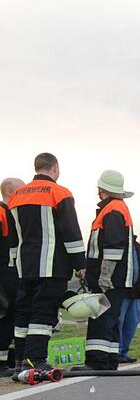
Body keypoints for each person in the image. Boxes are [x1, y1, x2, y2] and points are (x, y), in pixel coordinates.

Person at [8, 154, 85, 373]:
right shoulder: (60, 193)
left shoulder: (17, 196)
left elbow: (14, 239)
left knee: (23, 314)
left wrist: (14, 262)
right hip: (52, 265)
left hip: (25, 266)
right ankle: (36, 360)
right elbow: (70, 232)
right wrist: (80, 263)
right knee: (44, 313)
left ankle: (20, 363)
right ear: (55, 168)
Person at [84, 170, 136, 371]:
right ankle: (109, 359)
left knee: (100, 318)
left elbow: (114, 246)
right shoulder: (118, 208)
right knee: (111, 318)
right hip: (118, 278)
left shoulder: (113, 210)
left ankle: (97, 361)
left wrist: (104, 275)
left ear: (102, 189)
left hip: (110, 278)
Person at [0, 177, 25, 376]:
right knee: (6, 317)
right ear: (10, 192)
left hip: (12, 273)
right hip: (5, 274)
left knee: (12, 318)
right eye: (21, 189)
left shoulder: (12, 213)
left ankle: (9, 360)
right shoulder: (2, 212)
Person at [117, 237, 140, 363]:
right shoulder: (119, 244)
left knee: (132, 322)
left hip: (136, 292)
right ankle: (117, 351)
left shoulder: (137, 247)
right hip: (122, 292)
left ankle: (124, 352)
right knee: (119, 322)